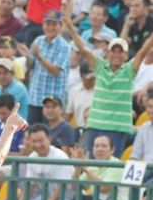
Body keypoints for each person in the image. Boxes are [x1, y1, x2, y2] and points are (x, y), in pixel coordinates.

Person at [65, 14, 153, 157]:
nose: (117, 54)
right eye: (114, 50)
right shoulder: (100, 66)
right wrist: (70, 28)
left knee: (112, 167)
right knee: (93, 166)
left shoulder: (129, 70)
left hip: (117, 128)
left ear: (125, 55)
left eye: (121, 52)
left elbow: (143, 51)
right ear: (109, 52)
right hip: (96, 125)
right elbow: (84, 49)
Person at [19, 9, 71, 124]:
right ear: (43, 25)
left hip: (52, 100)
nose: (50, 27)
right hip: (35, 97)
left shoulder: (64, 46)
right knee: (32, 132)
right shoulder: (38, 40)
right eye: (47, 24)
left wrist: (38, 57)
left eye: (54, 24)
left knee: (49, 135)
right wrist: (27, 56)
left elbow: (55, 70)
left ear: (60, 26)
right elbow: (31, 65)